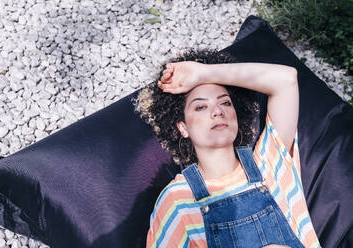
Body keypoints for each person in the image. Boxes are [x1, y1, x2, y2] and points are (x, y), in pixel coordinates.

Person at [134, 49, 321, 248]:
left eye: (225, 102)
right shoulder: (178, 200)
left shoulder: (269, 162)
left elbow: (286, 80)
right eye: (201, 107)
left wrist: (203, 73)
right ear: (183, 127)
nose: (217, 111)